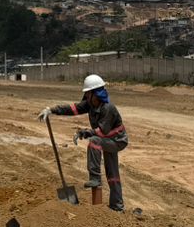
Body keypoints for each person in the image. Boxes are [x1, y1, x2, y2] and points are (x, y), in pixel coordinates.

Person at [38, 73, 128, 211]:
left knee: (94, 141)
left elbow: (101, 132)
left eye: (88, 94)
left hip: (116, 140)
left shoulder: (107, 108)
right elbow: (73, 108)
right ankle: (117, 206)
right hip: (107, 140)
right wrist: (52, 110)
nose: (86, 97)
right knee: (113, 175)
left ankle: (95, 178)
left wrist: (84, 132)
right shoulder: (90, 104)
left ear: (95, 93)